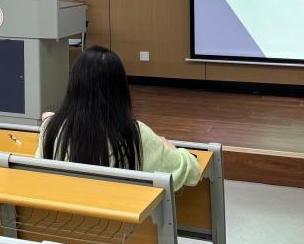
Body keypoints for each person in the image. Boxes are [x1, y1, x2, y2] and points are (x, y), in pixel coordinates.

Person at [36, 46, 200, 190]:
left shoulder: (51, 129)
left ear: (73, 85)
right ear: (120, 89)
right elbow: (193, 172)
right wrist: (170, 147)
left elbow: (37, 174)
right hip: (124, 217)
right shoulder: (137, 135)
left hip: (62, 216)